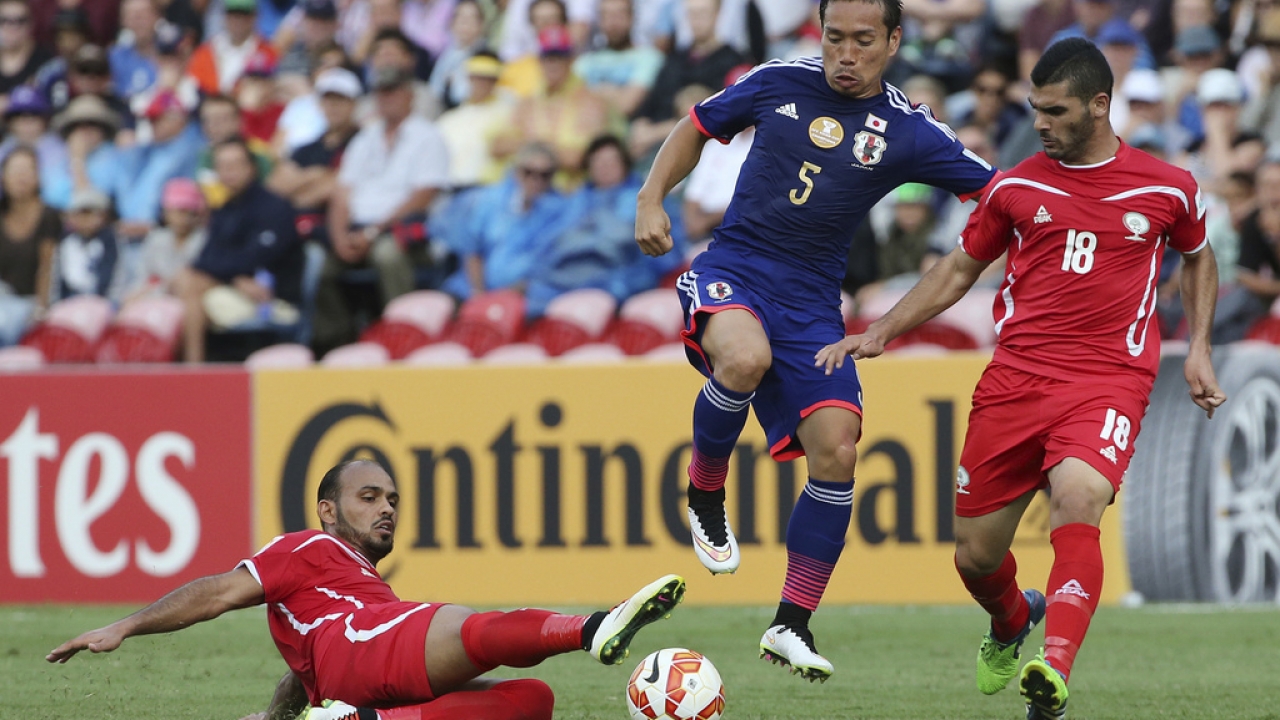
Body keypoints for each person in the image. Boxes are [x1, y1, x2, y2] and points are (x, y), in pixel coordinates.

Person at [816, 38, 1225, 719]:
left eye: (1055, 111)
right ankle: (1012, 620)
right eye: (1035, 109)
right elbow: (956, 270)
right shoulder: (1014, 185)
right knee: (975, 558)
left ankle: (1053, 670)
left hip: (1107, 380)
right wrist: (884, 328)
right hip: (1015, 382)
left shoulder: (1167, 186)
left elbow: (1198, 257)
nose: (1040, 123)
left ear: (1099, 106)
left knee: (1079, 497)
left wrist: (1201, 348)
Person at [633, 0, 996, 681]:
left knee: (839, 448)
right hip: (733, 268)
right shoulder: (778, 80)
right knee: (743, 358)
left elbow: (998, 194)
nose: (845, 54)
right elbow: (696, 126)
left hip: (811, 308)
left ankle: (790, 623)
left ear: (892, 42)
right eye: (834, 38)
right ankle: (705, 494)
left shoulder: (909, 131)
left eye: (863, 41)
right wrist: (651, 197)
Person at [48, 458, 686, 720]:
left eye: (393, 500)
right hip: (363, 645)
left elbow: (310, 668)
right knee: (459, 625)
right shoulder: (309, 547)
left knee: (531, 700)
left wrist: (277, 716)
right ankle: (591, 628)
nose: (387, 509)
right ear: (328, 510)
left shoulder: (354, 585)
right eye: (370, 497)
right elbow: (216, 593)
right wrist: (124, 627)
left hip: (358, 669)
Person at [174, 138, 302, 363]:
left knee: (189, 285)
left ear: (251, 167)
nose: (229, 172)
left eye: (235, 164)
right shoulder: (224, 209)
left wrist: (232, 274)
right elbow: (205, 259)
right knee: (186, 284)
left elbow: (257, 258)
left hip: (271, 295)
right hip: (234, 287)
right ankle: (190, 367)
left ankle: (192, 369)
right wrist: (235, 278)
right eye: (222, 166)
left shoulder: (274, 207)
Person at [0, 147, 61, 346]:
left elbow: (47, 267)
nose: (21, 177)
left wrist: (42, 308)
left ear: (38, 176)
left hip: (29, 303)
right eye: (15, 171)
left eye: (27, 171)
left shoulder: (48, 216)